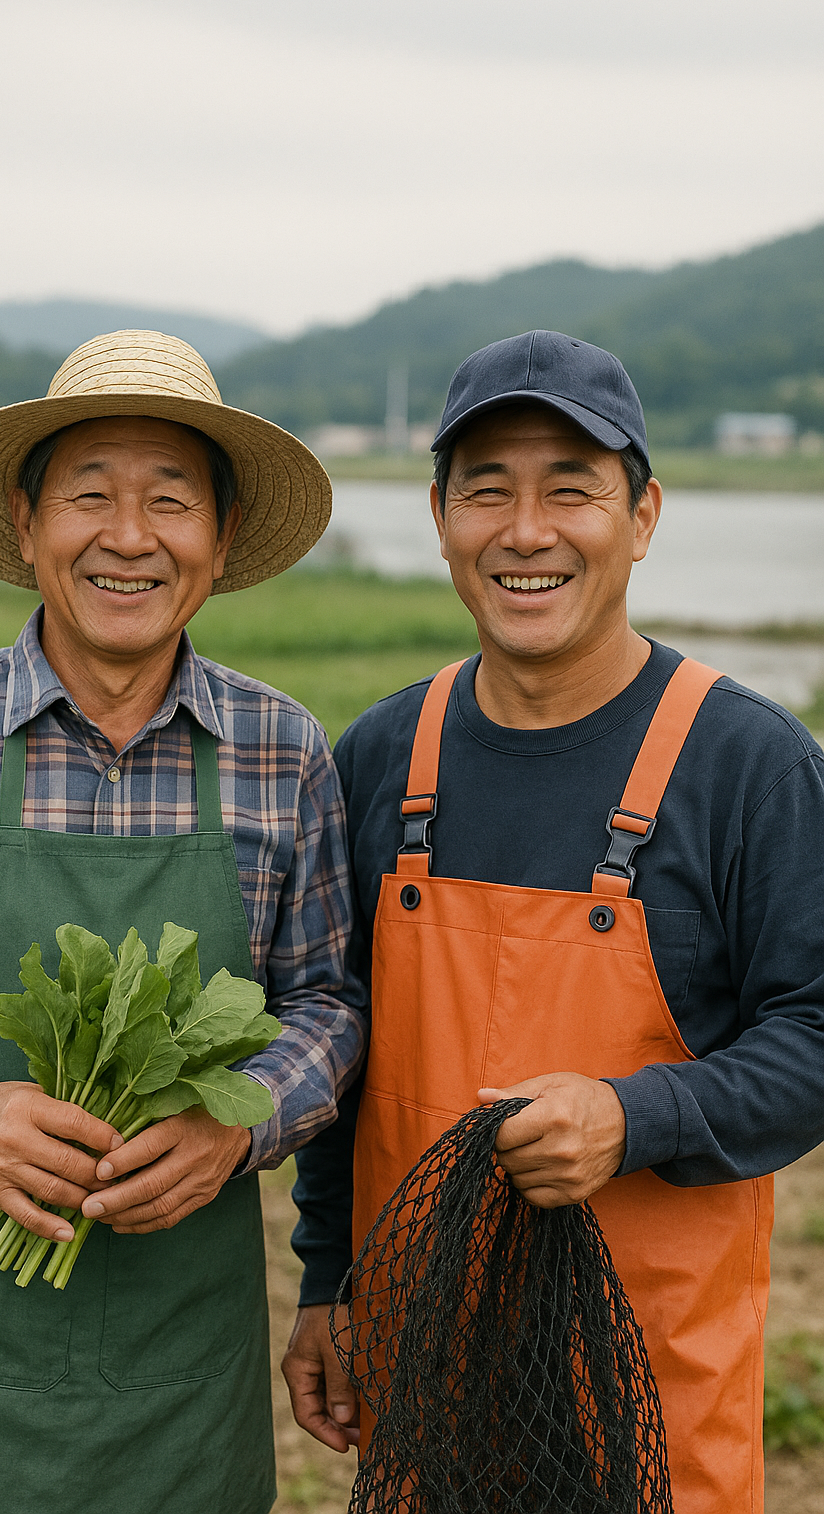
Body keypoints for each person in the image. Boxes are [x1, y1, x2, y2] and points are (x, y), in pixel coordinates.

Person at [0, 330, 366, 1514]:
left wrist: (240, 1121)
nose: (129, 536)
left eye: (170, 501)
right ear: (24, 524)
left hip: (182, 1376)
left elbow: (328, 1002)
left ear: (216, 541)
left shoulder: (284, 753)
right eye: (89, 496)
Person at [282, 330, 824, 1514]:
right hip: (424, 1375)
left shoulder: (751, 764)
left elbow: (815, 1036)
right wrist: (323, 1278)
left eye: (570, 489)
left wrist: (633, 1116)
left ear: (642, 514)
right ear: (439, 518)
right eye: (487, 490)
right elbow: (339, 1047)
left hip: (653, 1398)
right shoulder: (380, 756)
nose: (525, 531)